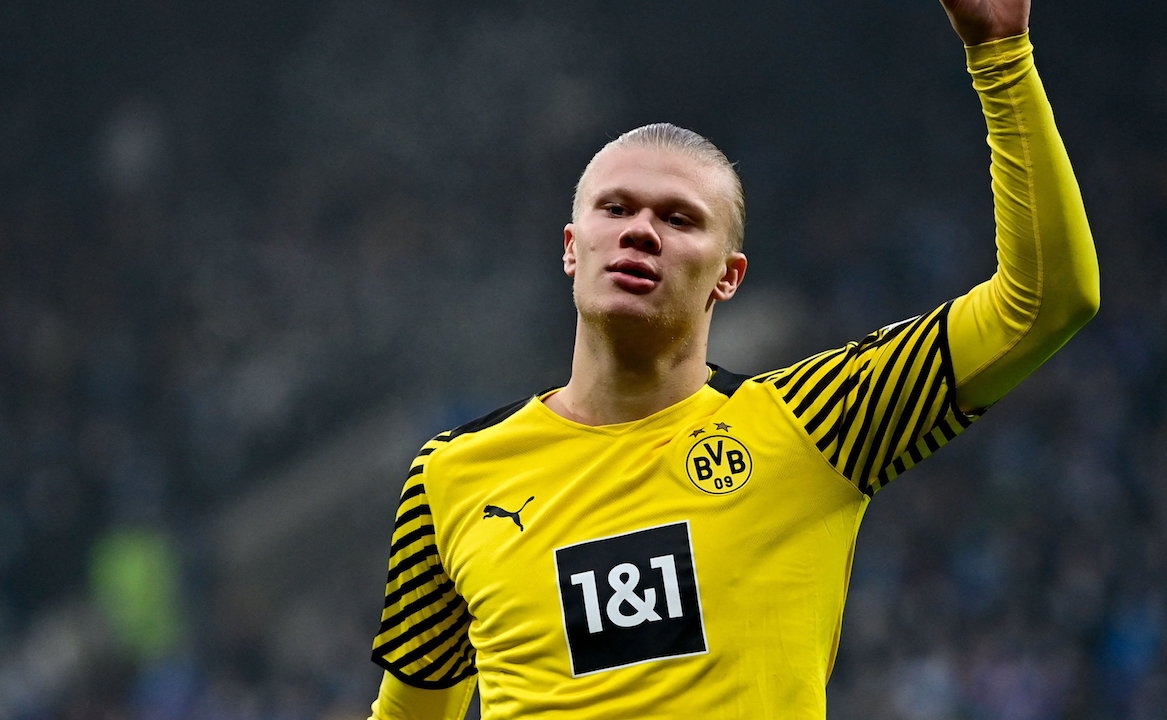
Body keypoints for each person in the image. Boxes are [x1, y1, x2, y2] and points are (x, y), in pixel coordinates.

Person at [367, 0, 1099, 717]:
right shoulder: (452, 475)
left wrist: (1001, 57)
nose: (641, 231)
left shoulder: (815, 426)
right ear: (571, 247)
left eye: (679, 218)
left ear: (729, 275)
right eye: (615, 209)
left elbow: (1045, 303)